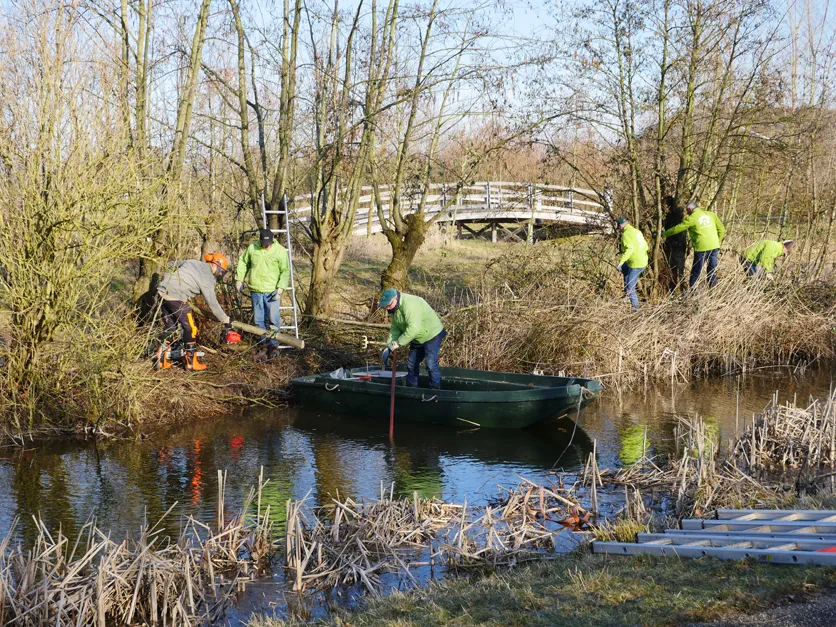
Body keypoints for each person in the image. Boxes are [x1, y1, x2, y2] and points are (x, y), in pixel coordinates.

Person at [156, 253, 232, 371]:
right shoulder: (208, 279)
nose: (220, 274)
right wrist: (225, 319)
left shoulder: (193, 262)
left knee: (170, 328)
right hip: (177, 297)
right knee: (190, 329)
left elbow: (170, 264)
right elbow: (212, 303)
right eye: (220, 271)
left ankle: (162, 360)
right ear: (214, 265)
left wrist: (168, 280)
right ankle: (191, 362)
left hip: (162, 292)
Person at [235, 229, 290, 358]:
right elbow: (243, 262)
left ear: (272, 241)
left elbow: (285, 270)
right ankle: (263, 344)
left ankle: (274, 346)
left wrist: (281, 288)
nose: (266, 246)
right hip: (256, 290)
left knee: (273, 320)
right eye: (264, 244)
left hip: (272, 291)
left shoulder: (280, 251)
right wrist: (239, 280)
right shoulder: (252, 248)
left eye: (268, 244)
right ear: (260, 241)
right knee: (258, 320)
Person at [379, 288, 446, 389]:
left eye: (389, 305)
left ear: (396, 298)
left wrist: (399, 342)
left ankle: (435, 389)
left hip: (432, 334)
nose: (387, 308)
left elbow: (413, 328)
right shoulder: (394, 309)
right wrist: (389, 346)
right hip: (417, 337)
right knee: (411, 364)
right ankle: (412, 388)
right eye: (386, 306)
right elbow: (395, 329)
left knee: (430, 364)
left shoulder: (410, 304)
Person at [663, 200, 726, 289]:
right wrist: (717, 242)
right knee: (712, 270)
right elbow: (722, 229)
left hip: (701, 248)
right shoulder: (711, 214)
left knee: (696, 271)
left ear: (690, 209)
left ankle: (693, 291)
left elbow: (677, 228)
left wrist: (664, 234)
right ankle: (713, 290)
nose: (687, 213)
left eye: (687, 211)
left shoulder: (692, 218)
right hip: (715, 246)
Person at [615, 217, 648, 311]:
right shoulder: (637, 231)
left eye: (619, 227)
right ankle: (627, 292)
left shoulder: (625, 234)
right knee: (625, 268)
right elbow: (646, 246)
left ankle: (636, 310)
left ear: (621, 226)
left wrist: (620, 262)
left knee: (630, 288)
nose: (619, 230)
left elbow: (629, 249)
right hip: (643, 260)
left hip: (636, 264)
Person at [661, 196, 687, 292]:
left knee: (673, 270)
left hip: (674, 246)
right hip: (679, 246)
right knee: (679, 271)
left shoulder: (670, 218)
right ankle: (679, 290)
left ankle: (674, 290)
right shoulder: (680, 218)